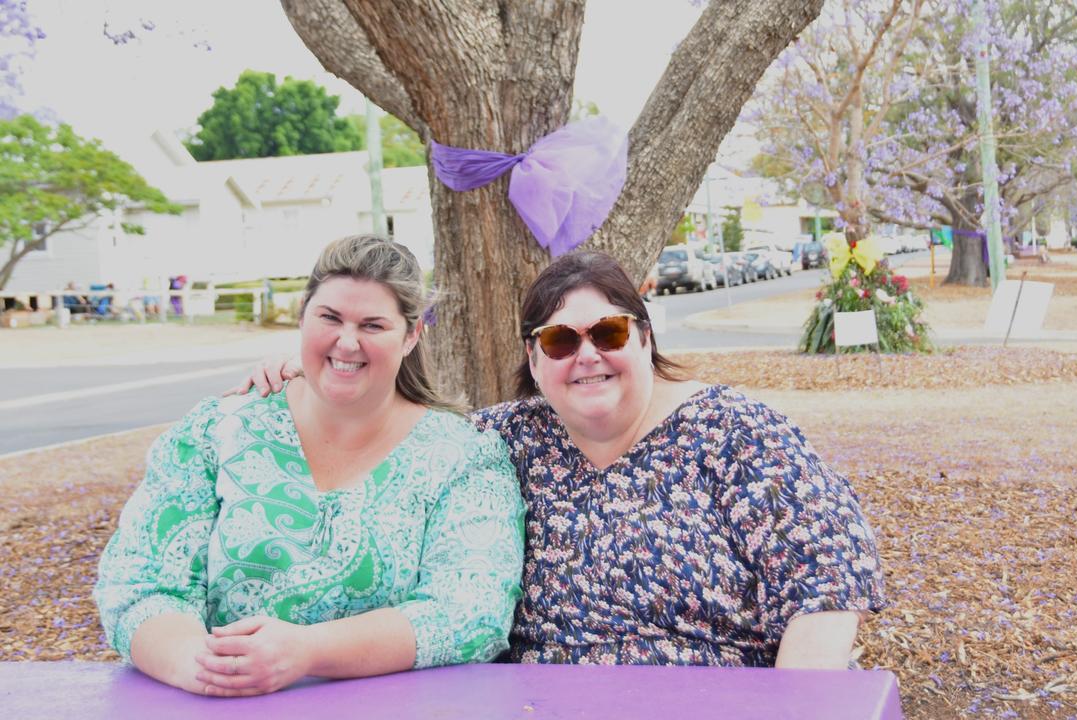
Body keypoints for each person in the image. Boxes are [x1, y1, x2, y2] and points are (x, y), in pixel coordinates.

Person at [237, 250, 885, 669]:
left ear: (644, 336)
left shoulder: (736, 432)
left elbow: (826, 585)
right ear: (534, 357)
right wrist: (320, 375)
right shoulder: (498, 444)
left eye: (606, 333)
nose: (586, 354)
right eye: (559, 339)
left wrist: (797, 707)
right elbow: (393, 432)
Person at [95, 235, 525, 698]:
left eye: (373, 325)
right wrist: (201, 667)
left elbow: (471, 611)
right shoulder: (215, 432)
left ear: (412, 335)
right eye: (330, 318)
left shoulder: (463, 456)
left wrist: (307, 651)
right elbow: (138, 583)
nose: (346, 341)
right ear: (303, 316)